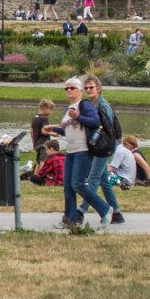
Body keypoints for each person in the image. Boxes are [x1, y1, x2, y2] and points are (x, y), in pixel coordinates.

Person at [59, 77, 111, 230]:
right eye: (67, 88)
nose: (69, 90)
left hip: (83, 150)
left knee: (78, 184)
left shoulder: (84, 104)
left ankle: (105, 209)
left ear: (80, 90)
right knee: (68, 186)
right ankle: (70, 219)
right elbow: (67, 129)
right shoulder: (68, 108)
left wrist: (78, 117)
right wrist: (52, 129)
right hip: (70, 151)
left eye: (72, 88)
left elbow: (95, 121)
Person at [83, 75, 124, 224]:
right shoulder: (90, 104)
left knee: (93, 178)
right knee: (103, 179)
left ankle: (81, 211)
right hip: (97, 146)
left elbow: (109, 129)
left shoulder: (103, 105)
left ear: (98, 89)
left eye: (91, 87)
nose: (88, 90)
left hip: (104, 146)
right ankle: (117, 213)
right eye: (86, 88)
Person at [30, 98, 59, 163]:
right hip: (44, 144)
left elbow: (31, 131)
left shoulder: (35, 117)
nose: (51, 112)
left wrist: (34, 144)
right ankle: (43, 173)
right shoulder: (44, 118)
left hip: (37, 143)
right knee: (44, 161)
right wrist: (53, 134)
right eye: (50, 110)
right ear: (46, 108)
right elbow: (43, 131)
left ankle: (37, 173)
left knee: (38, 161)